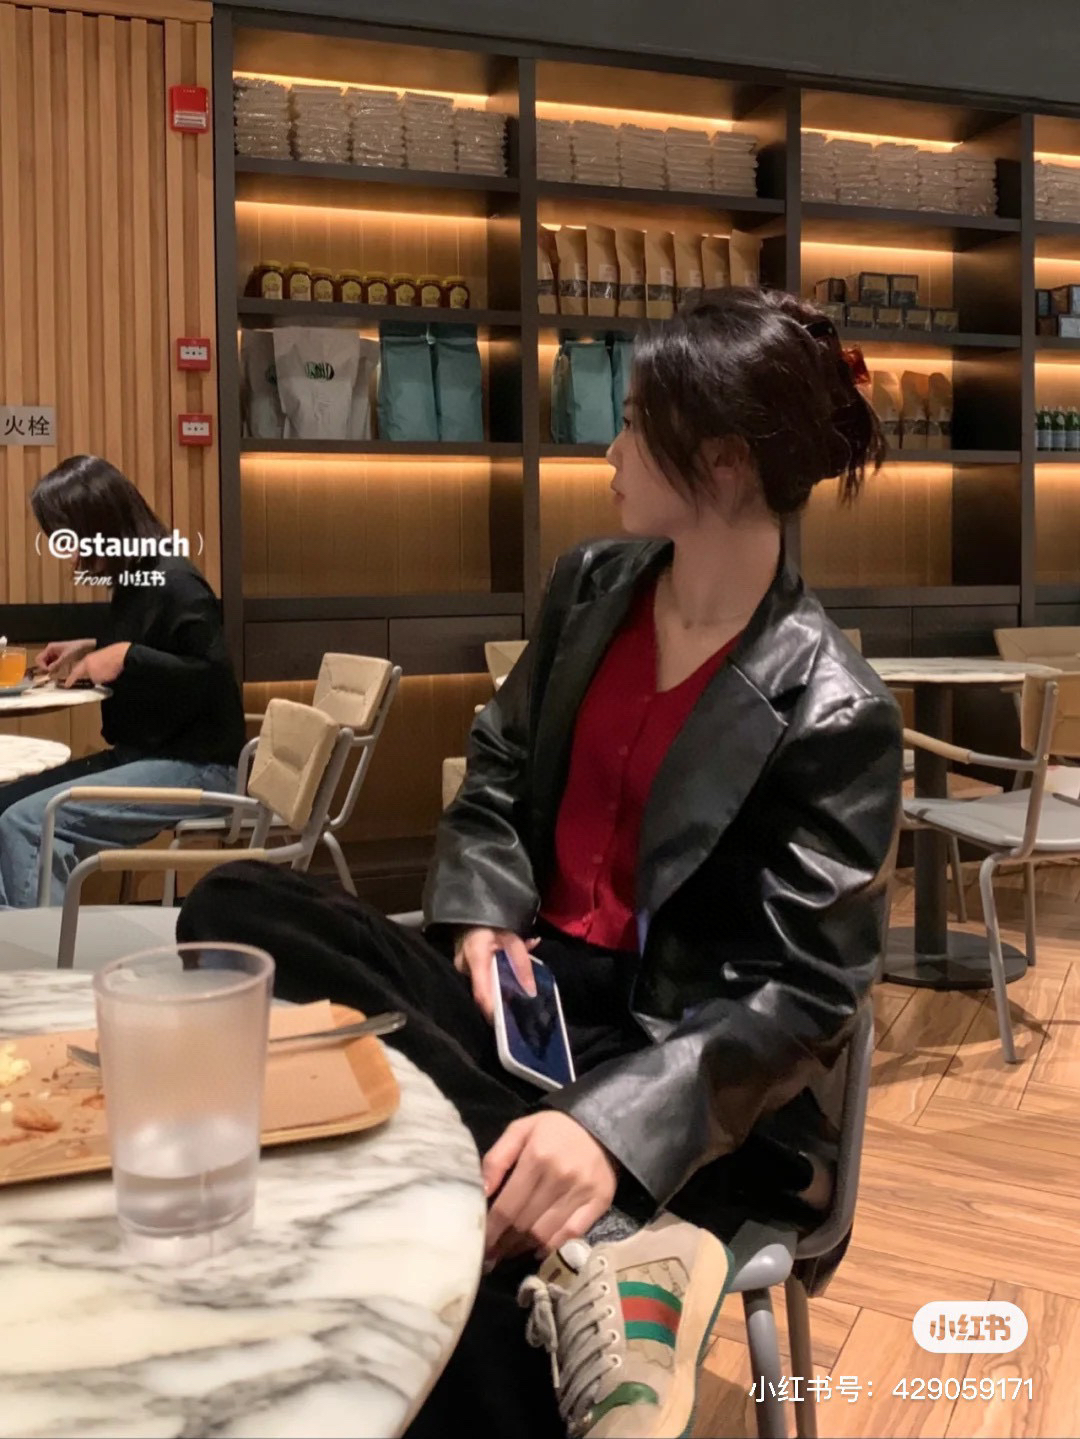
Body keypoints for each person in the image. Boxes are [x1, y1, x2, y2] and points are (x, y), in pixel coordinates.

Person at [177, 289, 903, 1439]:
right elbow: (501, 764)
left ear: (721, 462)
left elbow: (803, 993)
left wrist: (609, 1126)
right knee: (238, 903)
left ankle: (545, 1198)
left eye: (636, 424)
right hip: (525, 999)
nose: (608, 449)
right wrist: (479, 918)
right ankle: (604, 1248)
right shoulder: (593, 584)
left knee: (453, 1236)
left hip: (677, 1070)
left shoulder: (835, 708)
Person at [0, 456, 246, 908]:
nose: (66, 552)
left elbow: (211, 676)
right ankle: (13, 938)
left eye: (67, 537)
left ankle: (44, 949)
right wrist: (92, 648)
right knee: (5, 804)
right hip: (147, 754)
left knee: (31, 822)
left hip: (201, 766)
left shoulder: (175, 579)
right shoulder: (137, 580)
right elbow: (153, 647)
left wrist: (125, 656)